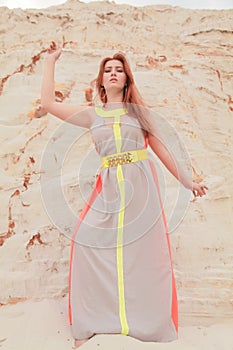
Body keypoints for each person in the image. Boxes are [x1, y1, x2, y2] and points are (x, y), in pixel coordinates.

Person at [41, 41, 208, 348]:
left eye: (119, 70)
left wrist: (189, 182)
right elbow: (49, 104)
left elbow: (163, 151)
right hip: (108, 188)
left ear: (127, 79)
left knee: (144, 257)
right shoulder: (92, 114)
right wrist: (51, 60)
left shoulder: (140, 114)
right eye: (108, 70)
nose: (114, 74)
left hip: (141, 188)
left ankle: (145, 324)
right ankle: (96, 320)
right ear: (101, 80)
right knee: (87, 244)